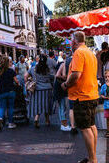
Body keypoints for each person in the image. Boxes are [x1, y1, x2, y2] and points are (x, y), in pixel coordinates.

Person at [61, 31, 99, 163]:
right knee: (91, 125)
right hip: (92, 94)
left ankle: (93, 160)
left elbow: (76, 75)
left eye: (71, 40)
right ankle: (92, 157)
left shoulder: (78, 53)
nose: (70, 43)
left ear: (74, 41)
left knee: (85, 127)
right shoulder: (90, 53)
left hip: (81, 96)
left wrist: (65, 84)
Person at [25, 54, 54, 128]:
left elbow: (25, 76)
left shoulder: (33, 68)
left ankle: (36, 118)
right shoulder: (47, 69)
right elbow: (52, 77)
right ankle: (47, 120)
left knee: (38, 105)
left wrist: (28, 82)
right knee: (46, 105)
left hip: (37, 89)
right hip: (47, 89)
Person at [0, 56, 19, 131]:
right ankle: (10, 123)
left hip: (2, 92)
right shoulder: (11, 71)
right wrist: (18, 84)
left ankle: (0, 118)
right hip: (10, 91)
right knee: (10, 107)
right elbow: (16, 81)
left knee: (2, 107)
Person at [100, 70, 109, 138]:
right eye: (106, 77)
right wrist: (105, 97)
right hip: (106, 105)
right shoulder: (103, 86)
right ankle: (108, 131)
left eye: (108, 76)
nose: (107, 78)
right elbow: (101, 94)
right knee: (108, 120)